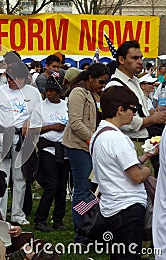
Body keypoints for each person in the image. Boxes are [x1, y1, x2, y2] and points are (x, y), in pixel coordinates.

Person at [91, 86, 151, 259]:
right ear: (120, 110)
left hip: (111, 206)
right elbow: (137, 176)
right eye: (133, 109)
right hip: (127, 207)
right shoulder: (117, 138)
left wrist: (144, 157)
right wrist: (146, 170)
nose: (134, 114)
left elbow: (116, 166)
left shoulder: (99, 134)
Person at [62, 63, 110, 244]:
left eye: (105, 83)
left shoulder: (93, 93)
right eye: (101, 82)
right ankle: (81, 235)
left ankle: (89, 228)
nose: (103, 85)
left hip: (90, 147)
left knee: (90, 191)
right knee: (82, 191)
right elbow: (75, 123)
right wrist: (93, 140)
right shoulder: (78, 92)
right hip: (79, 147)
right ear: (90, 78)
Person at [0, 62, 42, 225]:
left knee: (20, 177)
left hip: (22, 137)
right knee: (2, 176)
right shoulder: (0, 92)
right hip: (3, 136)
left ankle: (18, 214)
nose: (9, 80)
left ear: (22, 78)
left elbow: (39, 114)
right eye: (7, 77)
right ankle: (1, 214)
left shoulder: (33, 93)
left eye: (12, 77)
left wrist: (29, 121)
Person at [106, 40, 166, 157]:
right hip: (130, 144)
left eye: (140, 58)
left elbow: (138, 113)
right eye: (134, 58)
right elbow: (125, 121)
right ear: (121, 60)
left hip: (142, 142)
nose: (139, 62)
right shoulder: (116, 86)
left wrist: (153, 112)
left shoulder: (134, 81)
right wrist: (153, 119)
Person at [33, 76, 69, 232]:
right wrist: (52, 127)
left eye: (53, 91)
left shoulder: (66, 106)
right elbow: (33, 130)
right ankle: (40, 219)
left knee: (62, 186)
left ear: (59, 92)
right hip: (47, 148)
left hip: (64, 149)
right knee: (51, 185)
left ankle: (58, 219)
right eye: (47, 90)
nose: (49, 93)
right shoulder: (40, 107)